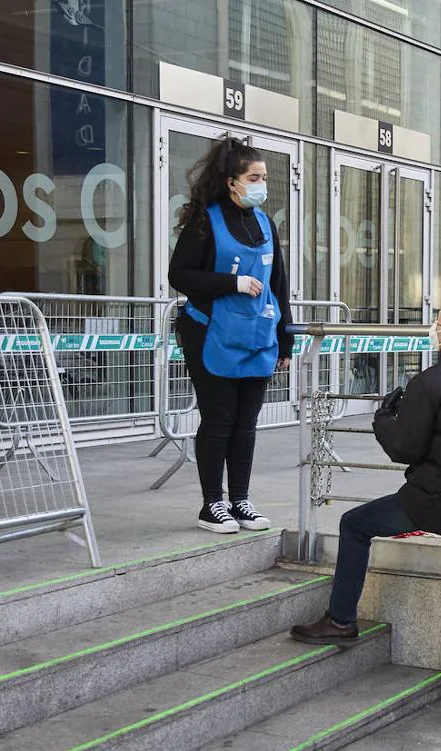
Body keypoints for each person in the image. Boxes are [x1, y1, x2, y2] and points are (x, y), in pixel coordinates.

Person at [291, 294, 441, 723]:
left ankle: (341, 619)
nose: (434, 328)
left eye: (438, 322)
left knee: (355, 524)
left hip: (430, 503)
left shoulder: (431, 382)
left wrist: (384, 417)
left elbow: (404, 448)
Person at [169, 136, 293, 534]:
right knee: (219, 420)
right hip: (210, 334)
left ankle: (240, 499)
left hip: (257, 336)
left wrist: (285, 340)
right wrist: (232, 282)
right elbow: (180, 275)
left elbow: (279, 285)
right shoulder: (206, 220)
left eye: (264, 177)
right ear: (231, 181)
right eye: (254, 176)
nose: (262, 184)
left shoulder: (265, 224)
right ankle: (212, 504)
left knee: (246, 423)